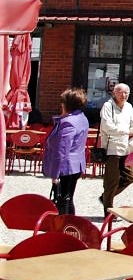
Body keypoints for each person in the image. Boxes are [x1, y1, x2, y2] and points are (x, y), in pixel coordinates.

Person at [41, 87, 89, 215]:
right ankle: (69, 226)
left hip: (66, 166)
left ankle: (65, 227)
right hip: (76, 164)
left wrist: (55, 175)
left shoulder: (68, 122)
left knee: (63, 200)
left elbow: (61, 150)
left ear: (65, 104)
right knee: (68, 198)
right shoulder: (81, 117)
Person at [98, 83, 133, 215]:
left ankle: (105, 197)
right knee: (111, 181)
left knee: (130, 177)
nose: (124, 95)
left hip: (126, 148)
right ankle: (108, 210)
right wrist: (127, 132)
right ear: (114, 93)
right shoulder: (108, 106)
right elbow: (107, 127)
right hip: (112, 148)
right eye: (121, 92)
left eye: (126, 93)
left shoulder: (128, 107)